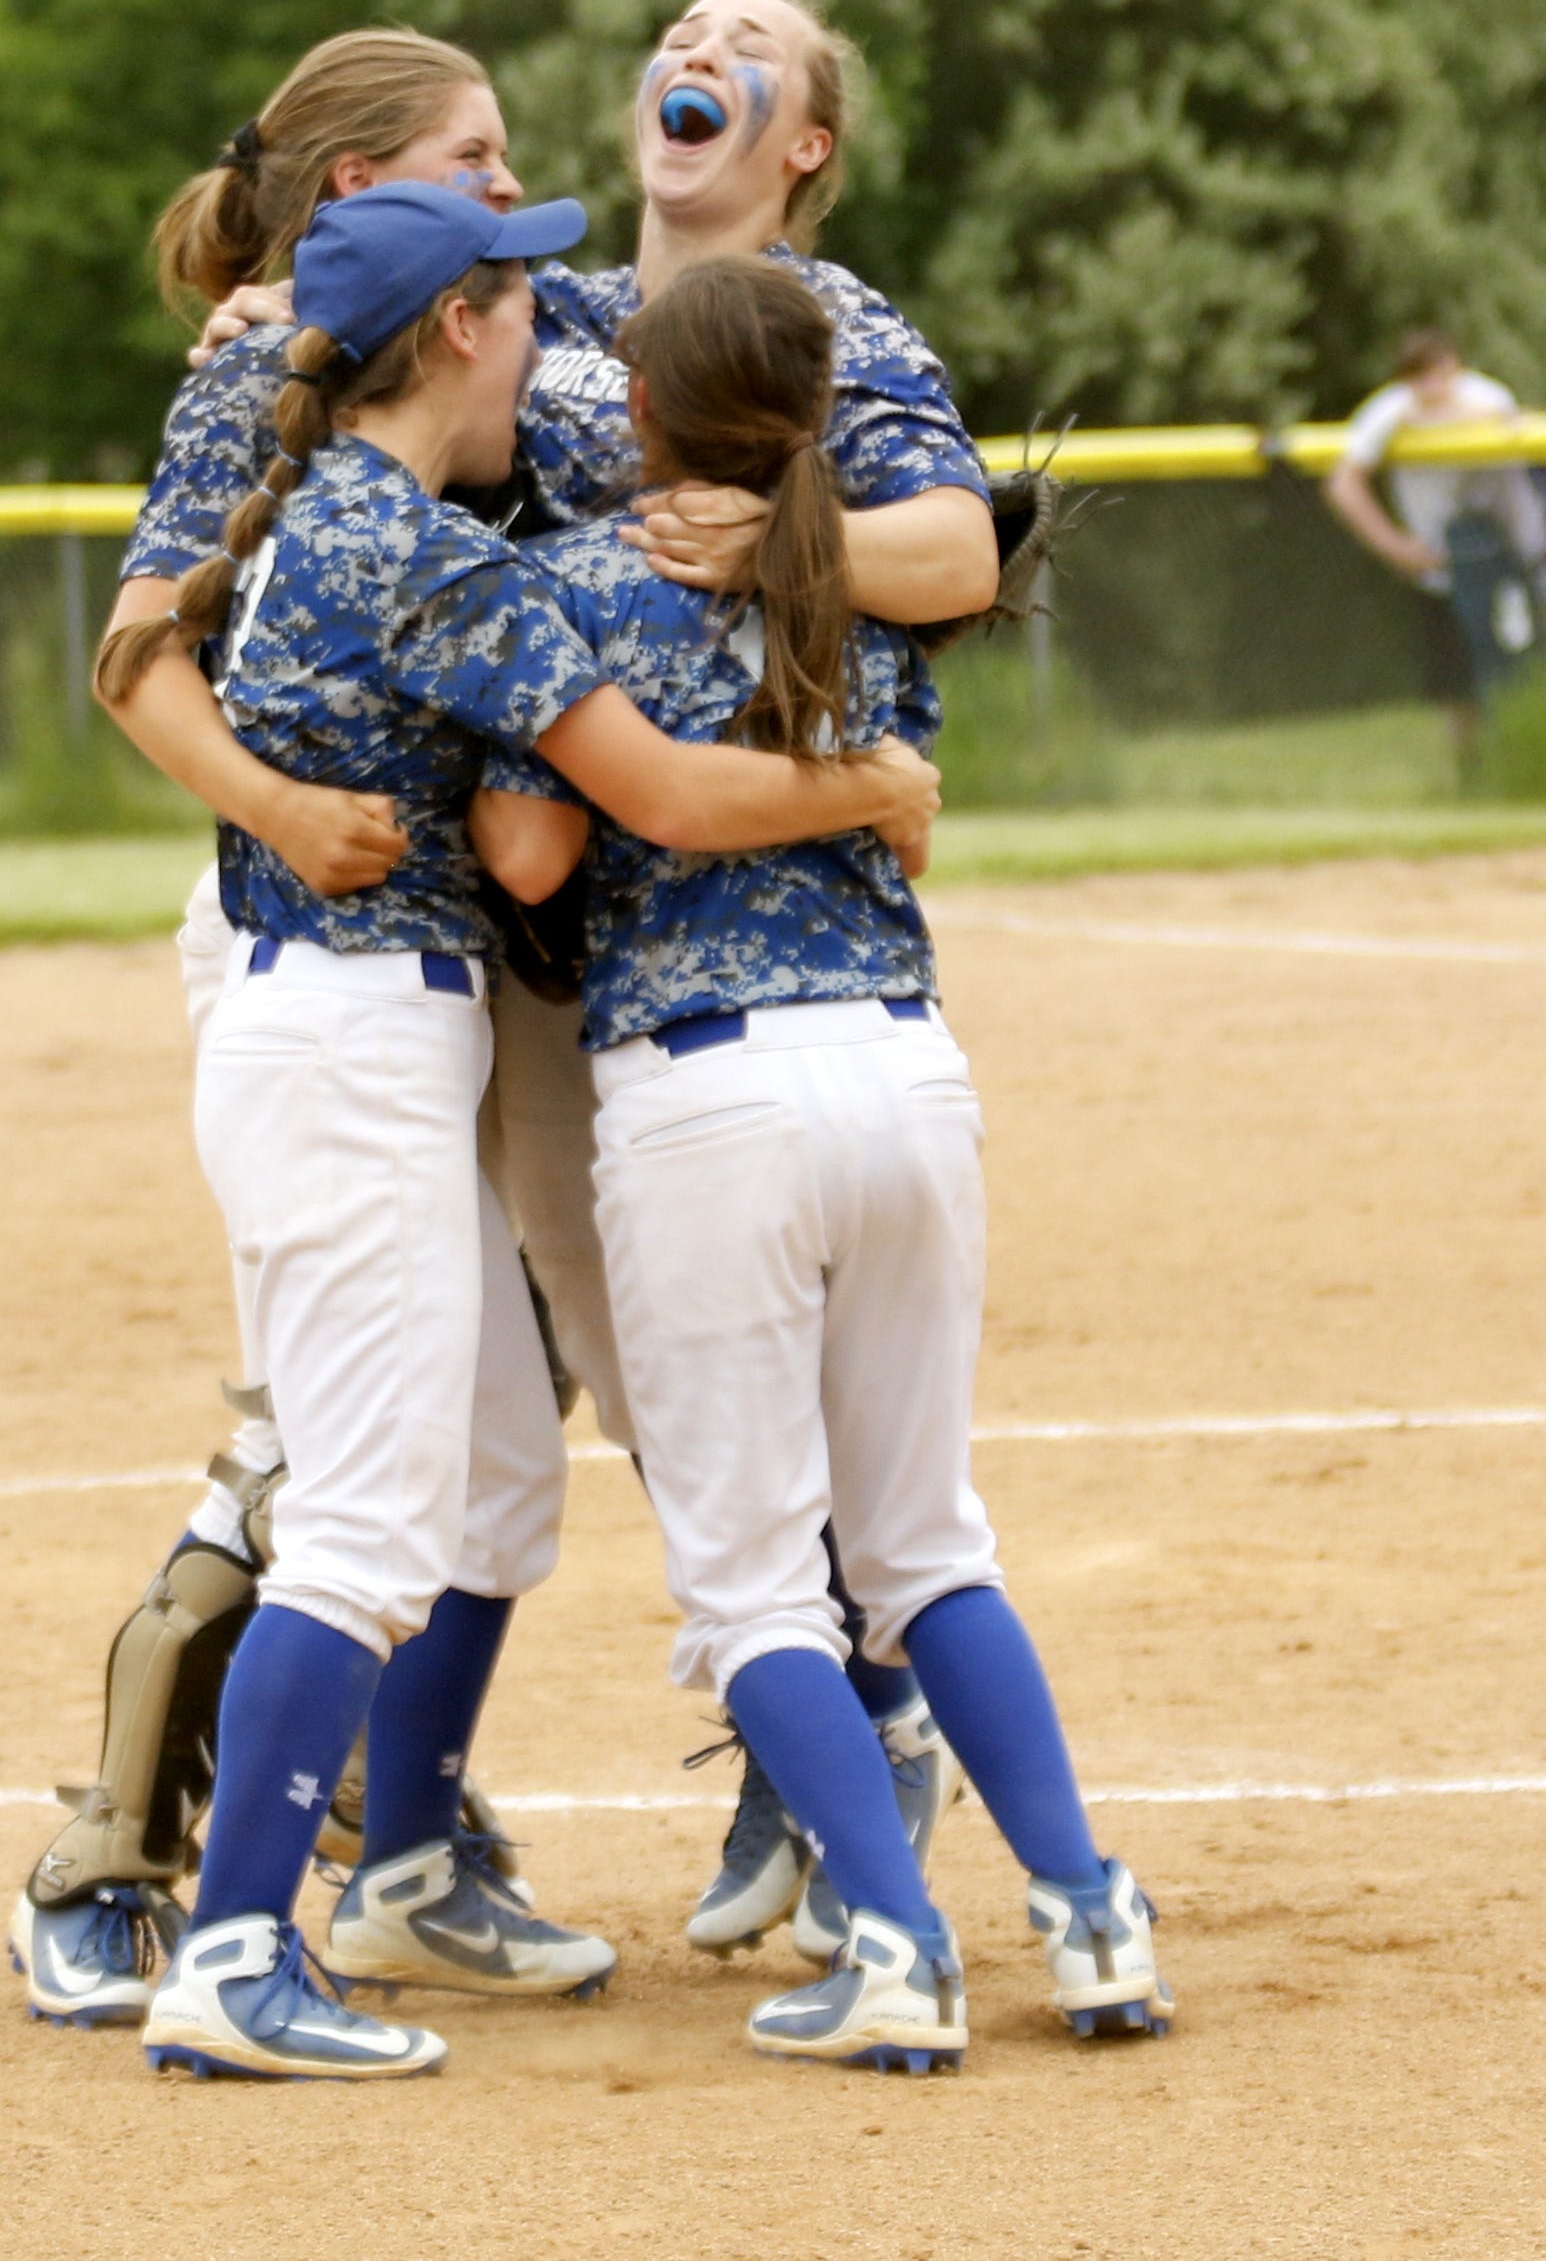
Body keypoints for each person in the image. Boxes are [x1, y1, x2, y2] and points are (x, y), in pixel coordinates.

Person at [11, 3, 990, 2023]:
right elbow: (143, 649)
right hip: (369, 931)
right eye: (473, 164)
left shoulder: (774, 323)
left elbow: (956, 550)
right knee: (350, 1431)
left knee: (640, 1389)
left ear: (801, 143)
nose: (510, 189)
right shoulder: (399, 340)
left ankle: (763, 1779)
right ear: (380, 214)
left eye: (755, 49)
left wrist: (780, 524)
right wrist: (289, 807)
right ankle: (129, 1853)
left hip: (540, 969)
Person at [471, 254, 1174, 2070]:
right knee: (926, 1540)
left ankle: (894, 1941)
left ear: (635, 414)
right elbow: (907, 840)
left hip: (705, 1108)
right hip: (902, 1070)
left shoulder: (574, 578)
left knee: (754, 1582)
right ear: (812, 422)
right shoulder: (865, 599)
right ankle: (1089, 1911)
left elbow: (534, 856)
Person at [1324, 328, 1545, 754]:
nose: (1432, 386)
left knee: (1522, 674)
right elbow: (1343, 483)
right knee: (1457, 686)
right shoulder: (1389, 412)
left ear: (1456, 367)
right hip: (1442, 569)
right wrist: (1396, 547)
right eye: (1418, 375)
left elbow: (1513, 440)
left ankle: (1528, 761)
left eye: (1439, 371)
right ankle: (1475, 780)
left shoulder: (1488, 398)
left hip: (1512, 561)